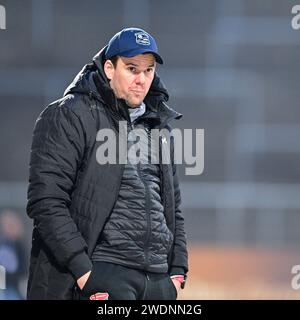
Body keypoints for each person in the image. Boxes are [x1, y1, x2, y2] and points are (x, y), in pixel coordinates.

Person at [26, 27, 188, 300]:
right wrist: (84, 271)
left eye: (148, 71)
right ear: (110, 68)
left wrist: (177, 270)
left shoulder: (160, 129)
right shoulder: (69, 115)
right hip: (102, 275)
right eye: (132, 69)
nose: (142, 79)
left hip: (157, 282)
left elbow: (173, 208)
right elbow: (46, 201)